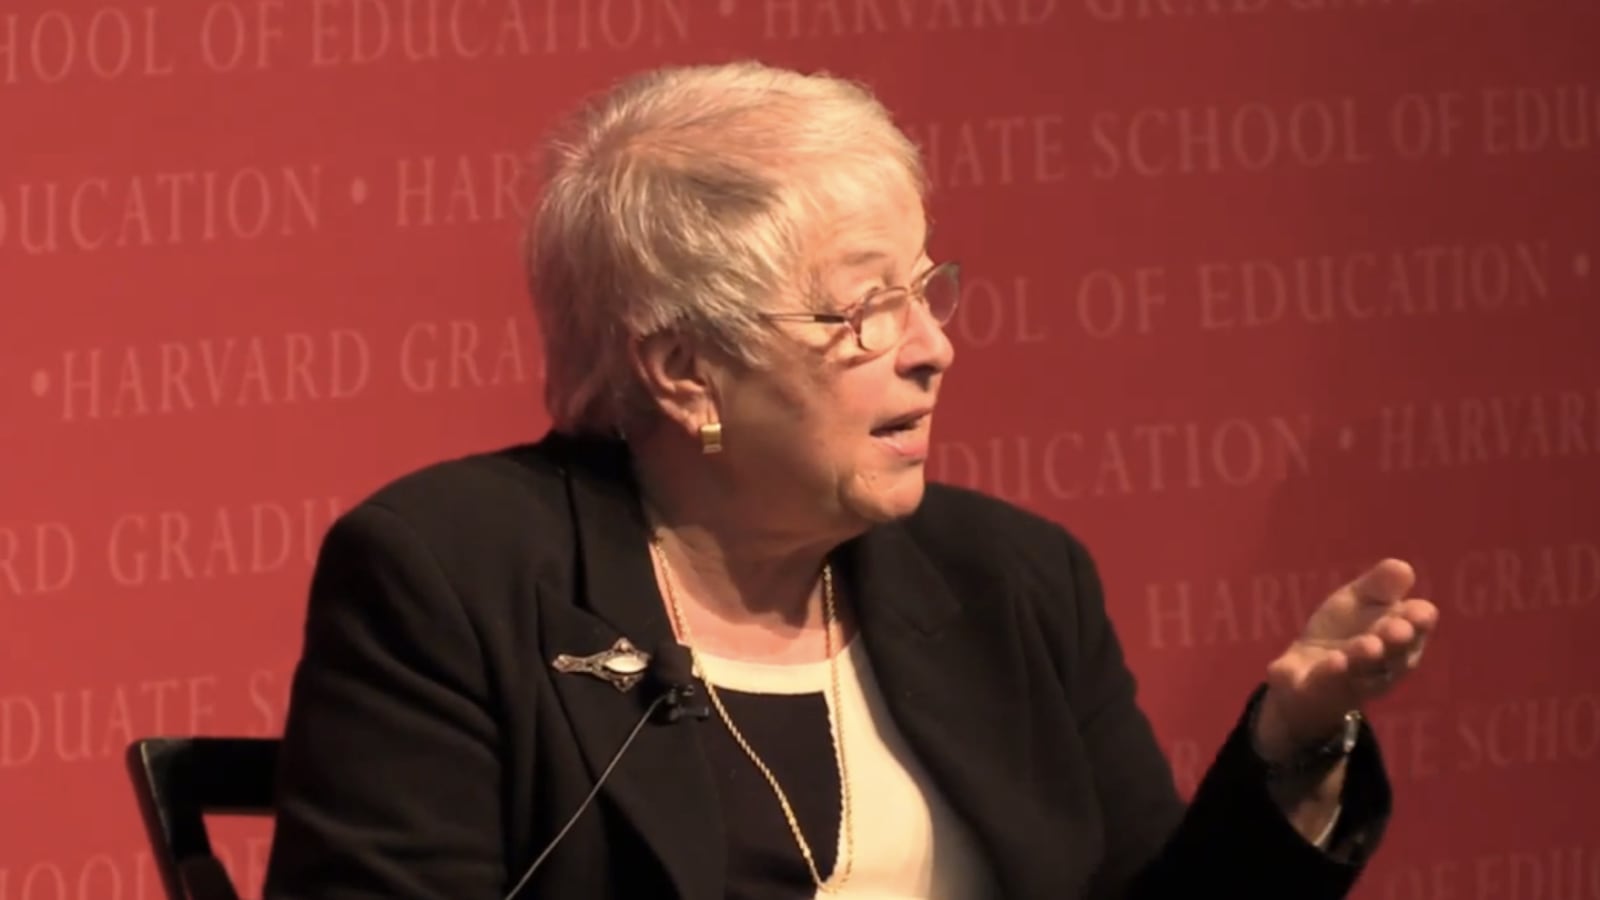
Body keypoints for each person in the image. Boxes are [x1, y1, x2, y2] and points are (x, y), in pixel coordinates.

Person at [262, 60, 1438, 899]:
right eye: (868, 308)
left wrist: (1291, 747)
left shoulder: (1010, 580)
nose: (932, 346)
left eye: (925, 291)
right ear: (683, 370)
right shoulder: (453, 577)